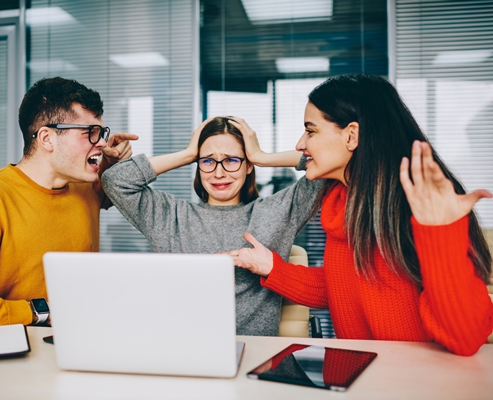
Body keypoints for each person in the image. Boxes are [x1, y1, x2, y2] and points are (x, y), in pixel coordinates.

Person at [228, 74, 493, 356]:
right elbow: (342, 289)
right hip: (360, 378)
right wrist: (271, 267)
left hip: (418, 382)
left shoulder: (417, 204)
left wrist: (441, 231)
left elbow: (466, 337)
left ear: (352, 135)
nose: (299, 144)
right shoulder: (343, 200)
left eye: (310, 131)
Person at [0, 77, 138, 331]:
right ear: (47, 138)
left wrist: (112, 163)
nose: (101, 142)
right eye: (89, 133)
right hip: (16, 352)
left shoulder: (85, 187)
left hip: (84, 336)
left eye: (101, 133)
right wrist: (41, 310)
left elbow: (116, 191)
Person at [101, 117, 323, 336]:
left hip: (256, 358)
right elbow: (115, 180)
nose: (218, 173)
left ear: (248, 166)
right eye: (208, 161)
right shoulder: (168, 216)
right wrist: (187, 154)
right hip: (181, 356)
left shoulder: (277, 212)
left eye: (231, 160)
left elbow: (326, 163)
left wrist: (260, 156)